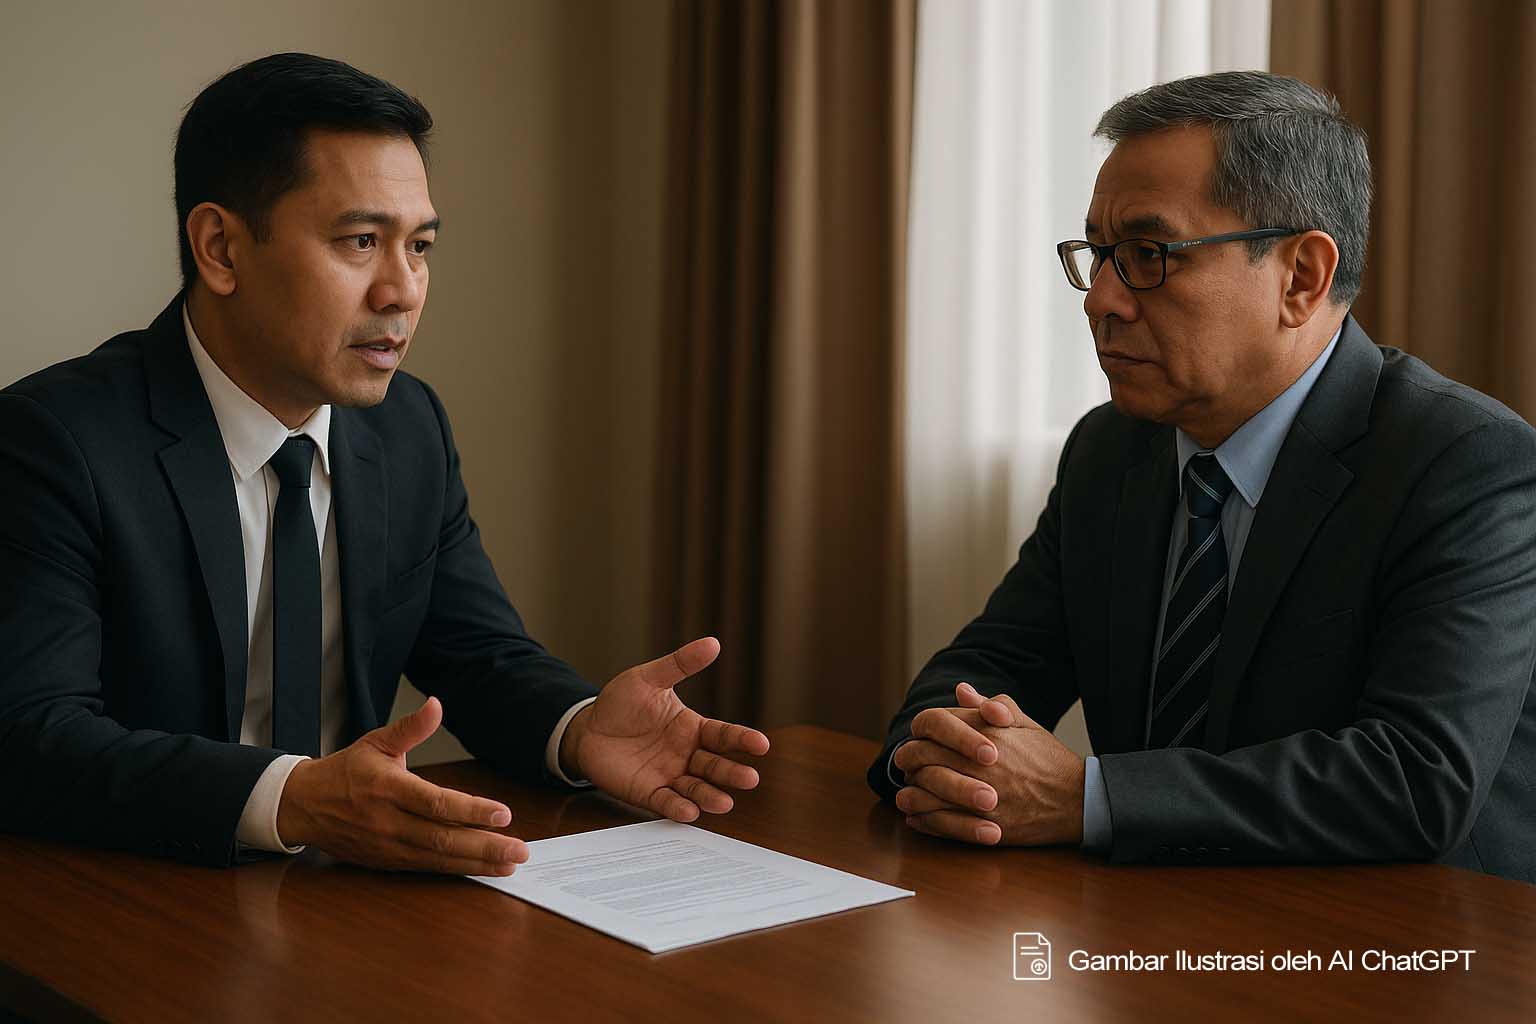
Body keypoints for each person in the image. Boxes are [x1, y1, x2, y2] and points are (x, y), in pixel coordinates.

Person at [0, 52, 769, 873]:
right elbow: (30, 735)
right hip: (138, 892)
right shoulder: (53, 442)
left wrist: (579, 730)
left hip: (350, 891)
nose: (402, 290)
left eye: (420, 246)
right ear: (220, 248)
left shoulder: (408, 427)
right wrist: (294, 799)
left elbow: (479, 657)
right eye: (361, 241)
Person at [869, 71, 1536, 882]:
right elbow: (991, 665)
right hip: (1156, 918)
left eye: (1148, 255)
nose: (1101, 300)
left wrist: (1087, 798)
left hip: (1406, 931)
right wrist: (940, 757)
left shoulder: (1464, 463)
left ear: (1300, 277)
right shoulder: (1110, 451)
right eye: (1099, 255)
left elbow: (1416, 779)